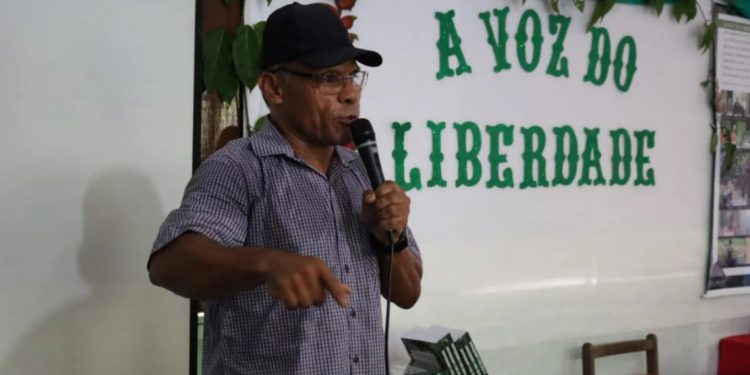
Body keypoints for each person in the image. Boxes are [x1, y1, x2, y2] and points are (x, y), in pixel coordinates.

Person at [147, 2, 423, 374]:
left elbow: (407, 294)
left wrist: (391, 238)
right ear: (274, 88)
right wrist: (266, 262)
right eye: (328, 78)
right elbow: (169, 264)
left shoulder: (362, 174)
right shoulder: (239, 169)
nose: (350, 94)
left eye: (352, 76)